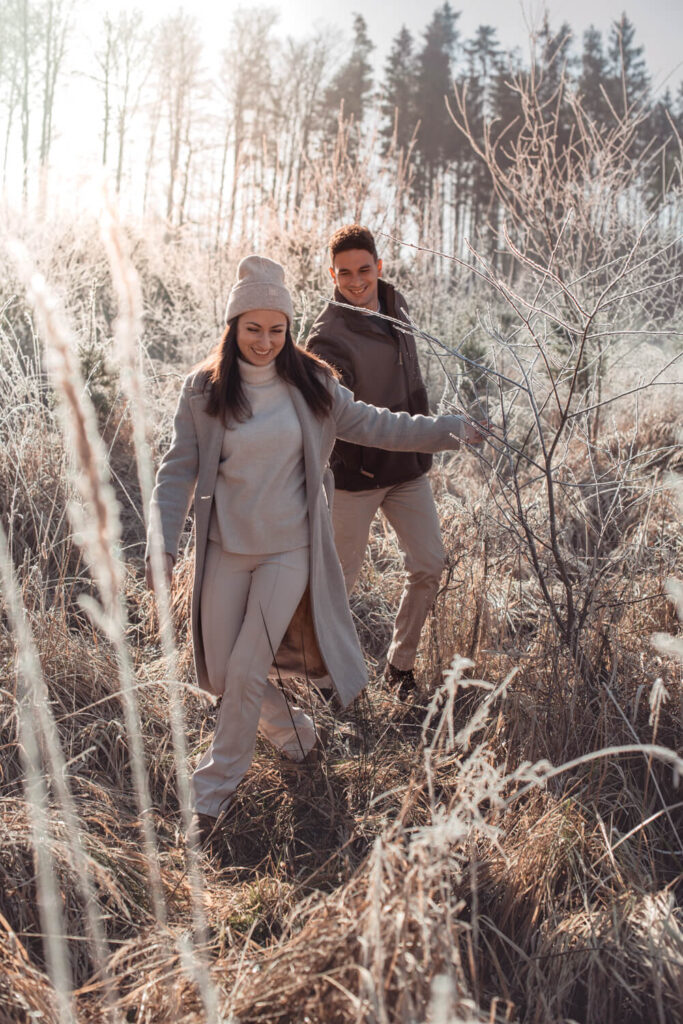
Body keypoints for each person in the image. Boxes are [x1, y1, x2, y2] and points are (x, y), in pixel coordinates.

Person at [146, 255, 485, 842]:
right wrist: (162, 545)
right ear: (233, 326)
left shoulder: (313, 385)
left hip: (289, 552)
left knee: (251, 668)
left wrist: (450, 430)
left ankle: (209, 795)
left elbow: (382, 425)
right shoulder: (203, 392)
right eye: (252, 328)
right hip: (226, 550)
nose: (264, 341)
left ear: (288, 327)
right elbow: (177, 473)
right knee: (225, 672)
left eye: (276, 329)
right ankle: (297, 737)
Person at [306, 224, 464, 697]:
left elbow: (410, 379)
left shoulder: (397, 307)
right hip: (356, 477)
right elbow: (346, 418)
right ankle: (316, 676)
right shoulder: (328, 340)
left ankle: (400, 665)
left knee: (429, 565)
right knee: (339, 583)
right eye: (345, 273)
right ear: (332, 275)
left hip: (408, 471)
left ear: (379, 266)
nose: (356, 282)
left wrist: (423, 432)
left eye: (364, 270)